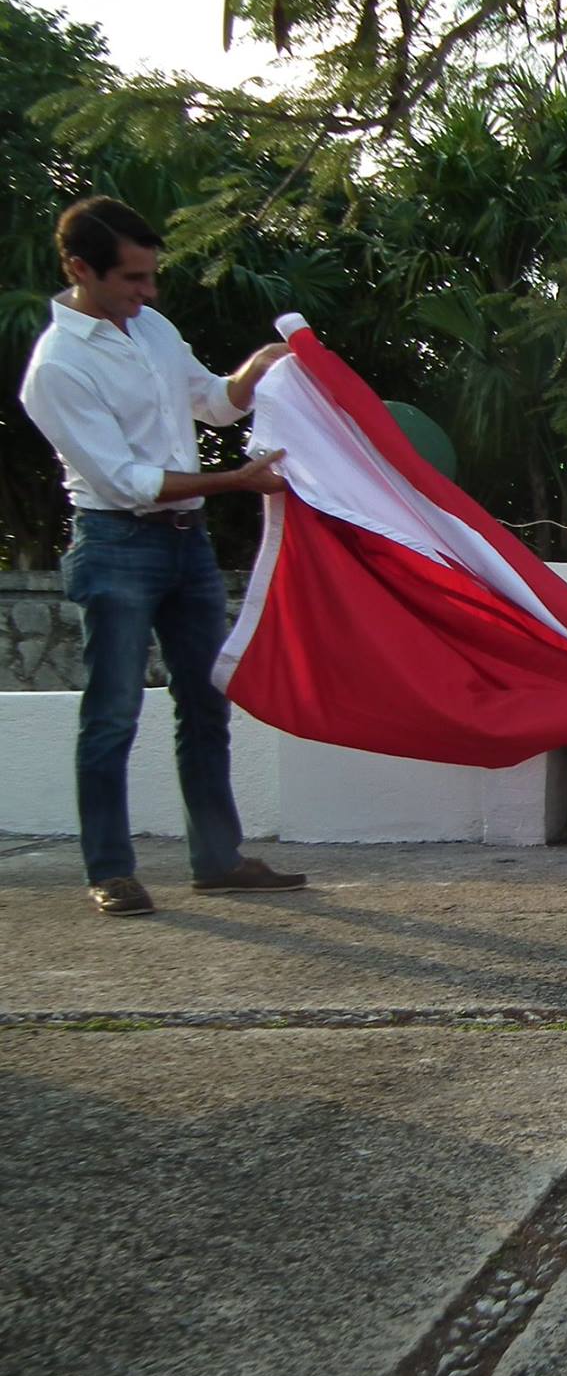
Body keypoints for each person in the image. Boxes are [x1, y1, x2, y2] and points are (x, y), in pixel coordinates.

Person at [18, 196, 308, 916]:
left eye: (151, 276)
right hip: (116, 540)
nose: (147, 292)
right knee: (113, 712)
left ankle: (218, 859)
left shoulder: (151, 328)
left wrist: (258, 369)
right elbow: (126, 482)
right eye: (132, 279)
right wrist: (235, 482)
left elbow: (213, 401)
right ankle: (111, 871)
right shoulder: (57, 366)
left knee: (207, 702)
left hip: (186, 541)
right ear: (79, 269)